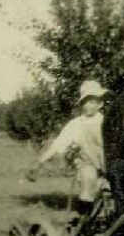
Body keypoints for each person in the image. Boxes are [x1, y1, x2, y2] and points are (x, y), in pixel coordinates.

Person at [34, 80, 108, 219]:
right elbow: (59, 144)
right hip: (87, 163)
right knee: (89, 181)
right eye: (84, 103)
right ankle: (84, 219)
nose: (87, 106)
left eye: (91, 102)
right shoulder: (76, 124)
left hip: (106, 164)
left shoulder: (106, 122)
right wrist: (40, 162)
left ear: (100, 104)